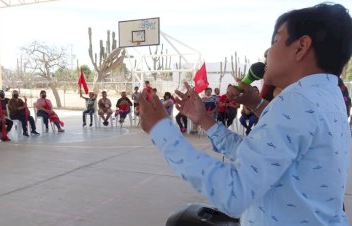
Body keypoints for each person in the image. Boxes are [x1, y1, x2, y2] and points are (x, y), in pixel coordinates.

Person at [138, 3, 352, 225]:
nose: (267, 52)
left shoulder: (296, 101)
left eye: (276, 40)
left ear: (301, 47)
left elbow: (234, 192)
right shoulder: (330, 94)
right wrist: (205, 119)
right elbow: (261, 156)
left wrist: (160, 129)